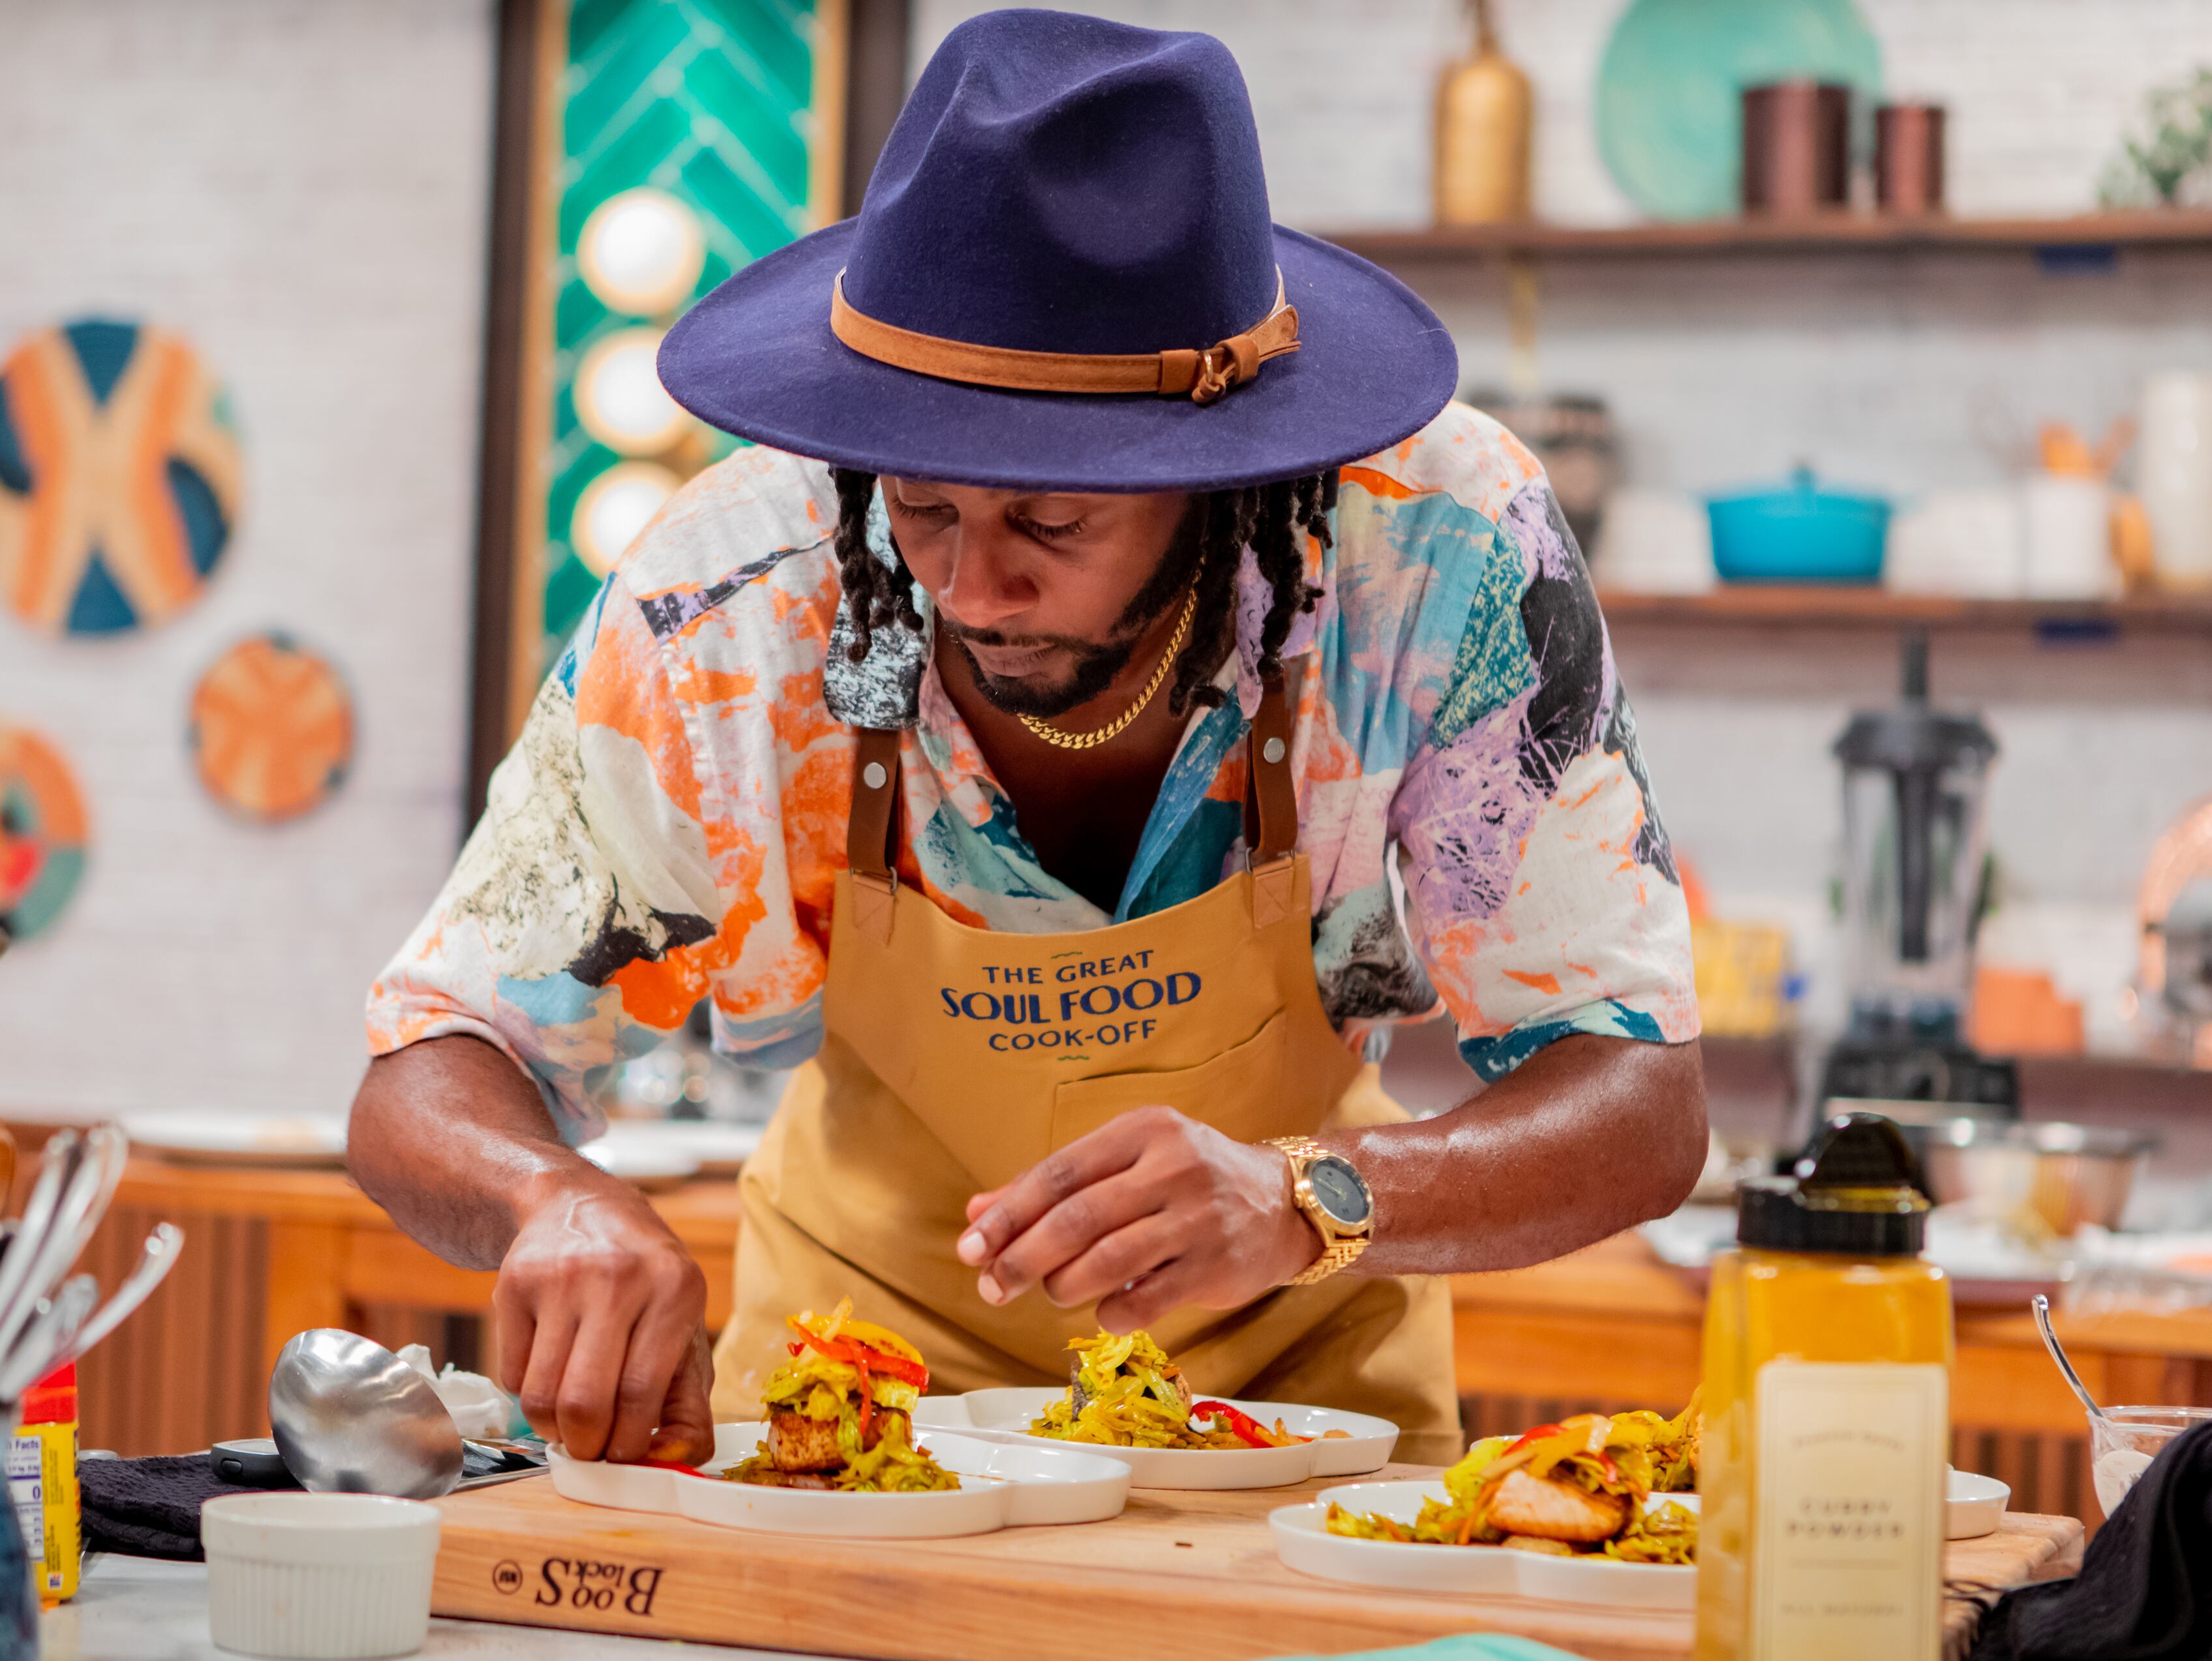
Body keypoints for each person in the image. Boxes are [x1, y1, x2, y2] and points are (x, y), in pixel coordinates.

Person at [350, 9, 1705, 1470]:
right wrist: (543, 1191)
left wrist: (1315, 1194)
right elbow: (438, 1052)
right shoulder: (735, 593)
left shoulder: (1432, 549)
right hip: (854, 1416)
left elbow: (1639, 1096)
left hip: (1294, 1429)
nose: (967, 584)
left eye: (1050, 520)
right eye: (922, 506)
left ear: (1216, 475)